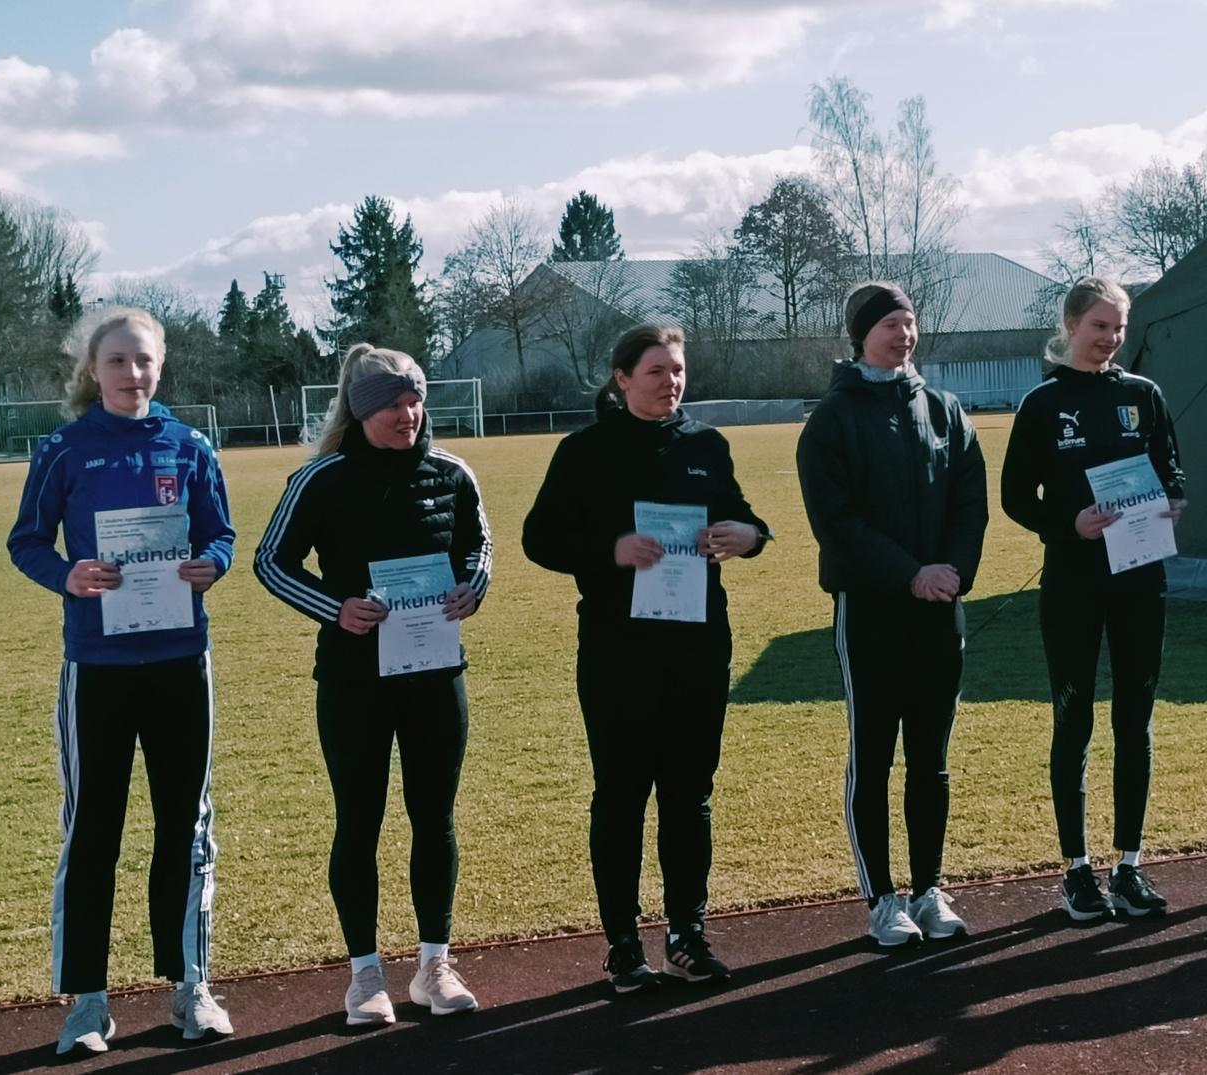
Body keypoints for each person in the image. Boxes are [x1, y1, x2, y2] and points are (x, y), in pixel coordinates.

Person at [6, 308, 237, 1053]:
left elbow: (220, 534)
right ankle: (88, 1000)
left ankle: (189, 983)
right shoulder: (64, 450)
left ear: (159, 366)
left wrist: (214, 564)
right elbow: (27, 541)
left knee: (187, 823)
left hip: (179, 661)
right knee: (93, 828)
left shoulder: (190, 444)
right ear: (92, 369)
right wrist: (67, 574)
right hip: (98, 669)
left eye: (143, 361)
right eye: (117, 361)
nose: (131, 374)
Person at [523, 324, 770, 993]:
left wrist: (747, 535)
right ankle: (623, 943)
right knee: (622, 794)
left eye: (678, 369)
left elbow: (743, 519)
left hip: (696, 644)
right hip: (616, 651)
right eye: (656, 370)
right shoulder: (585, 450)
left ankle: (687, 935)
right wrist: (610, 548)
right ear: (621, 377)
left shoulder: (703, 445)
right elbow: (539, 538)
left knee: (689, 795)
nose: (670, 381)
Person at [254, 344, 491, 1026]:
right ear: (360, 411)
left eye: (414, 398)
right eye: (391, 402)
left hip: (436, 674)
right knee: (359, 820)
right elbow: (271, 562)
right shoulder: (321, 479)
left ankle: (434, 965)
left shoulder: (451, 471)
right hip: (355, 681)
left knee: (434, 815)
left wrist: (474, 585)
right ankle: (364, 975)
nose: (406, 413)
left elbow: (477, 543)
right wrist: (338, 607)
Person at [796, 281, 989, 945]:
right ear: (861, 334)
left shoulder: (944, 408)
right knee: (873, 755)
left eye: (908, 323)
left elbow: (970, 499)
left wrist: (953, 571)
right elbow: (837, 523)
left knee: (929, 760)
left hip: (939, 608)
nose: (902, 334)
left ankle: (929, 887)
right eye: (888, 325)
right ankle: (883, 897)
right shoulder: (833, 419)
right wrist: (909, 573)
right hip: (871, 609)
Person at [1001, 277, 1186, 921]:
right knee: (1074, 720)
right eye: (1099, 327)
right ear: (1072, 326)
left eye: (1119, 328)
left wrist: (1175, 498)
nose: (1110, 339)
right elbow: (1016, 498)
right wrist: (1068, 524)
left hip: (1140, 579)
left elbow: (1171, 466)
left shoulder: (1145, 395)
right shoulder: (1043, 403)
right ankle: (1077, 871)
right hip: (1074, 584)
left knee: (1134, 721)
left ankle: (1129, 864)